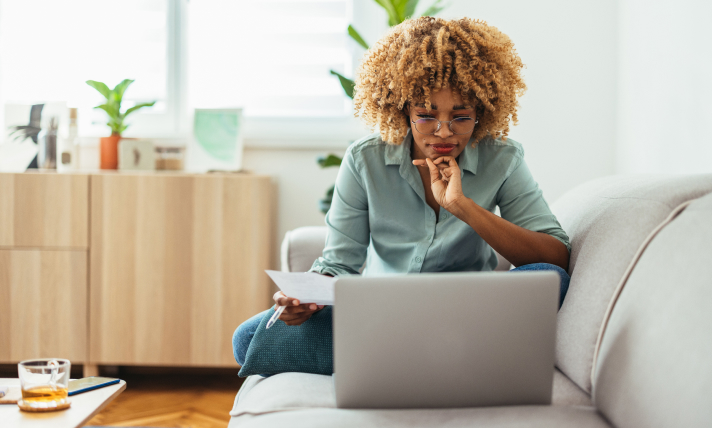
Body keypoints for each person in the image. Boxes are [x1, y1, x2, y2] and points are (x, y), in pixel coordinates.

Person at [233, 16, 570, 366]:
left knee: (551, 279)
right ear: (402, 109)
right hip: (381, 313)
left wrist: (462, 205)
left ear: (481, 113)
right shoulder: (366, 160)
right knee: (247, 340)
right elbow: (339, 263)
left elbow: (555, 258)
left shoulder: (502, 158)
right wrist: (306, 298)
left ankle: (400, 358)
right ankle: (440, 358)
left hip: (466, 312)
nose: (443, 132)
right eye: (426, 115)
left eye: (461, 116)